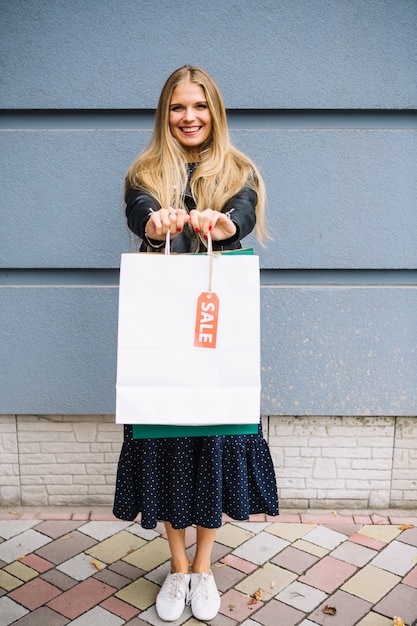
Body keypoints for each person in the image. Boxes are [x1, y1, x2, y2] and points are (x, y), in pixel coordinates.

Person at [113, 65, 278, 622]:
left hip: (215, 340)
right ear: (166, 113)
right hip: (164, 341)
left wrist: (226, 224)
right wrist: (157, 224)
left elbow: (245, 215)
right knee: (166, 448)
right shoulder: (143, 172)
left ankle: (204, 570)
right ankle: (177, 568)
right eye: (179, 107)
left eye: (199, 106)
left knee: (214, 447)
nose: (189, 117)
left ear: (215, 112)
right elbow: (140, 213)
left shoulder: (239, 170)